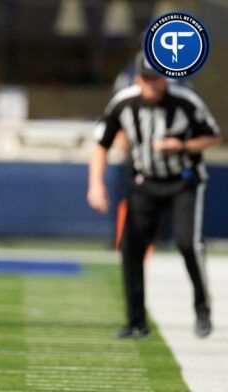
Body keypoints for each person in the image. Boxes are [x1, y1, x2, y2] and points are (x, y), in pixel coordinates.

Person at [87, 53, 221, 339]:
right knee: (131, 248)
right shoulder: (124, 102)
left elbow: (213, 136)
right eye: (147, 80)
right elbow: (101, 144)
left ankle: (202, 308)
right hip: (144, 181)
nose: (152, 86)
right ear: (138, 79)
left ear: (166, 79)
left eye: (157, 79)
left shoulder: (186, 101)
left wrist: (182, 146)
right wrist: (95, 184)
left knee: (189, 243)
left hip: (184, 181)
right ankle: (136, 322)